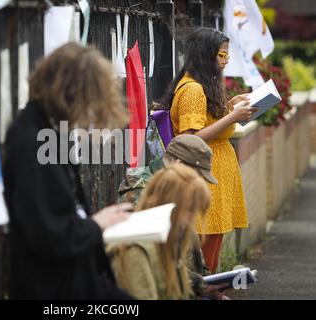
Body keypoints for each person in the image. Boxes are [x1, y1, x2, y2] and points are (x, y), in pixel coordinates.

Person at [3, 43, 133, 299]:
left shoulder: (45, 131)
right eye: (93, 100)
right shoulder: (34, 141)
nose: (94, 112)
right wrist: (97, 224)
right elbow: (50, 236)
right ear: (72, 95)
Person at [161, 27, 257, 273]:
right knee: (205, 241)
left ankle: (210, 289)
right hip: (204, 174)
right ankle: (205, 290)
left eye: (227, 56)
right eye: (221, 56)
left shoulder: (200, 85)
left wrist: (228, 107)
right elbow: (190, 139)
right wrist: (232, 117)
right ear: (206, 56)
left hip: (216, 174)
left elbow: (205, 122)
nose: (225, 61)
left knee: (213, 238)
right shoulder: (193, 89)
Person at [109, 163, 220, 299]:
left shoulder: (167, 239)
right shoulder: (135, 249)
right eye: (189, 210)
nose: (191, 221)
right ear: (170, 204)